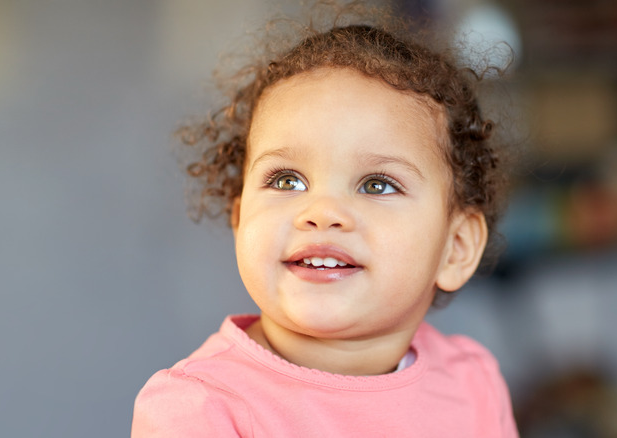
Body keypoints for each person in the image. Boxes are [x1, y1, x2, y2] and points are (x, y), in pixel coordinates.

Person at [132, 3, 518, 436]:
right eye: (287, 180)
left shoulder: (472, 381)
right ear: (240, 220)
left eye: (376, 185)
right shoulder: (200, 409)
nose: (322, 213)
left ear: (456, 248)